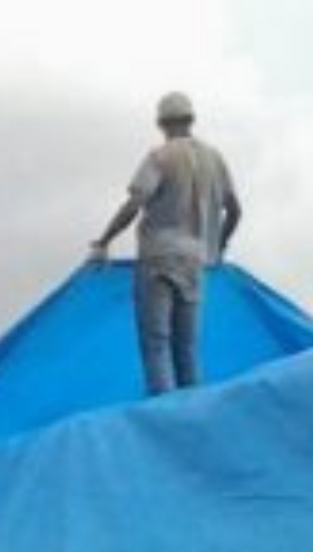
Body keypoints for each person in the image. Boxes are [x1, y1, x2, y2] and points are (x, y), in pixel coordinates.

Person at [88, 92, 243, 395]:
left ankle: (164, 418)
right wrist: (218, 247)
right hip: (195, 261)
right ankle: (192, 418)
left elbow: (135, 203)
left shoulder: (160, 157)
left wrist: (104, 240)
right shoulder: (215, 159)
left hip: (158, 258)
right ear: (191, 119)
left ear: (160, 123)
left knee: (157, 342)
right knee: (186, 348)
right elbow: (235, 211)